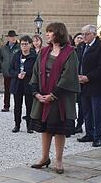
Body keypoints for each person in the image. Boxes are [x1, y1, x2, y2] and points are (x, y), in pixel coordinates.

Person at [29, 22, 80, 175]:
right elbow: (36, 72)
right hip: (43, 95)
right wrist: (37, 93)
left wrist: (53, 95)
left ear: (58, 33)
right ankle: (44, 157)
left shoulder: (70, 52)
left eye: (50, 32)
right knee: (45, 128)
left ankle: (58, 160)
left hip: (60, 98)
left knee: (58, 129)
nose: (47, 34)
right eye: (47, 32)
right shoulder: (44, 51)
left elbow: (69, 76)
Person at [77, 25, 101, 147]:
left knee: (96, 111)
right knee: (86, 111)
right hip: (83, 84)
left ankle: (97, 136)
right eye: (82, 34)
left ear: (94, 34)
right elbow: (78, 63)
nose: (83, 37)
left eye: (86, 34)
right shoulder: (81, 46)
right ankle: (89, 133)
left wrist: (88, 77)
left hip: (96, 84)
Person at [10, 35, 36, 133]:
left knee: (29, 105)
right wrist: (17, 74)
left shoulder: (34, 57)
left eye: (26, 44)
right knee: (17, 106)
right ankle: (17, 125)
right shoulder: (16, 55)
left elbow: (36, 71)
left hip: (28, 84)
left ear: (30, 44)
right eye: (22, 44)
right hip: (17, 83)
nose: (24, 46)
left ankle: (29, 126)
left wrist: (27, 74)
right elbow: (10, 70)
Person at [0, 30, 19, 112]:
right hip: (7, 72)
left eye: (14, 36)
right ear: (8, 38)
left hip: (15, 72)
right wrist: (3, 66)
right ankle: (6, 106)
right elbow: (0, 58)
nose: (13, 38)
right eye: (11, 36)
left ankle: (17, 107)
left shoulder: (19, 47)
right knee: (7, 90)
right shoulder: (3, 48)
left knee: (16, 91)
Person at [72, 33, 87, 135]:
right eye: (78, 38)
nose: (80, 39)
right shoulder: (71, 51)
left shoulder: (85, 50)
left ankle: (79, 124)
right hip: (72, 81)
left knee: (82, 105)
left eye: (82, 38)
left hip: (81, 81)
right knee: (71, 105)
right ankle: (71, 124)